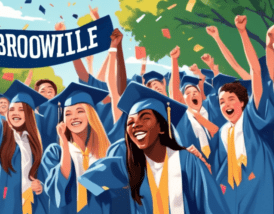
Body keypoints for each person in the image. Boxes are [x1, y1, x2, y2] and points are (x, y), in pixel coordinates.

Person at [79, 82, 230, 214]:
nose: (136, 125)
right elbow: (89, 181)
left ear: (162, 127)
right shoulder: (128, 166)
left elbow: (212, 206)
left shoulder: (186, 161)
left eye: (145, 118)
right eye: (130, 122)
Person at [0, 40, 48, 214]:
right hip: (7, 203)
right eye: (12, 109)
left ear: (29, 114)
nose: (15, 112)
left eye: (21, 109)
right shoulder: (3, 134)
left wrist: (39, 186)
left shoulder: (33, 141)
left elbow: (40, 175)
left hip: (32, 204)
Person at [211, 15, 274, 213]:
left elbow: (255, 71)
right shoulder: (223, 131)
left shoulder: (252, 117)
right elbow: (220, 165)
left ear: (242, 102)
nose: (226, 104)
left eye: (231, 99)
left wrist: (242, 32)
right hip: (232, 189)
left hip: (258, 184)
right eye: (222, 101)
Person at [42, 82, 111, 214]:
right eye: (67, 113)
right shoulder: (55, 153)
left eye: (80, 111)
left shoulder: (104, 151)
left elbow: (110, 193)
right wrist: (64, 140)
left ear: (90, 115)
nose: (73, 117)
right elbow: (59, 187)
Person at [34, 79, 59, 150]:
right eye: (43, 91)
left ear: (55, 94)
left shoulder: (60, 108)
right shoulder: (33, 110)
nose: (47, 92)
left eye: (50, 90)